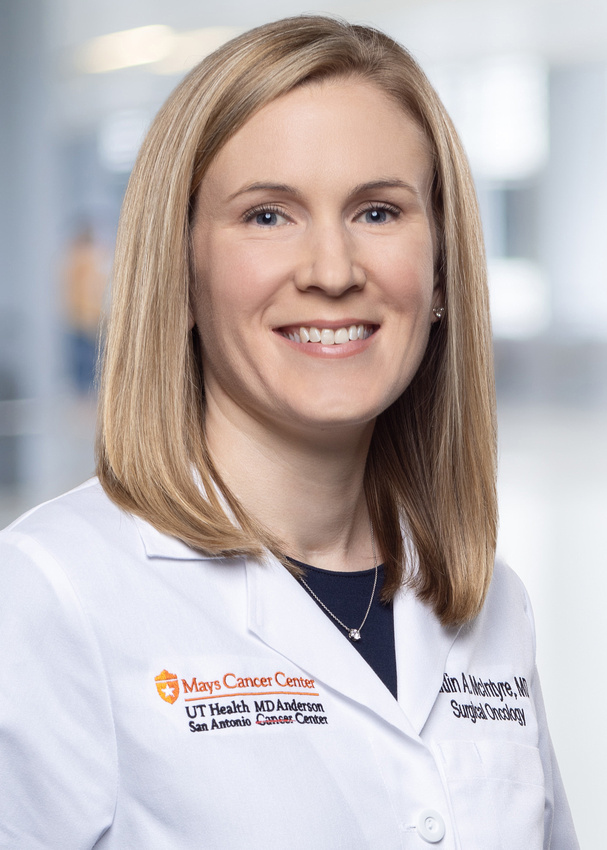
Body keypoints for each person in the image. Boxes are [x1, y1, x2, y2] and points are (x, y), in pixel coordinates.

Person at [0, 15, 578, 849]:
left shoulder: (492, 602)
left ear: (443, 266)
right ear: (181, 269)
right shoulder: (50, 597)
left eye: (378, 212)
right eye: (268, 216)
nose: (333, 272)